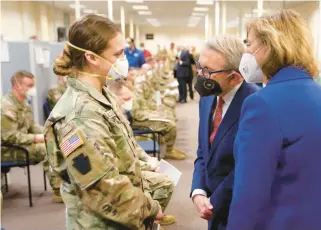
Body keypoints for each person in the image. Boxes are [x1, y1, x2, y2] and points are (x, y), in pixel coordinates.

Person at [44, 15, 164, 229]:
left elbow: (121, 147)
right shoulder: (81, 115)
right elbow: (102, 187)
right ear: (92, 58)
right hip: (102, 222)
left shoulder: (102, 94)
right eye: (117, 54)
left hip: (122, 214)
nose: (124, 59)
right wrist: (150, 207)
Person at [226, 9, 321, 230]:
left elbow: (249, 194)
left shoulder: (263, 104)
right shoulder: (320, 98)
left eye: (249, 44)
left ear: (269, 46)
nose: (246, 51)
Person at [190, 35, 259, 230]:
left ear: (235, 76)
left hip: (239, 210)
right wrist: (198, 191)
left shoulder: (255, 104)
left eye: (208, 71)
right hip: (212, 207)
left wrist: (216, 202)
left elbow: (248, 166)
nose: (201, 76)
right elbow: (204, 152)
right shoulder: (207, 98)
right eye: (200, 67)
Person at [1, 70, 62, 203]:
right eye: (29, 86)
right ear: (17, 86)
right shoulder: (7, 107)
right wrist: (35, 138)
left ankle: (64, 186)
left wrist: (47, 132)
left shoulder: (23, 103)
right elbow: (9, 137)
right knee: (46, 149)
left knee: (54, 143)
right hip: (7, 149)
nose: (32, 89)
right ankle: (58, 191)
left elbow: (31, 126)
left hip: (20, 144)